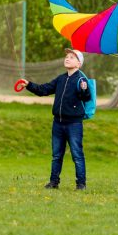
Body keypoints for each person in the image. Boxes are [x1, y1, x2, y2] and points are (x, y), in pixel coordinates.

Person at [20, 48, 92, 190]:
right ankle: (54, 182)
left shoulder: (81, 80)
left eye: (72, 57)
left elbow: (86, 97)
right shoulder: (61, 79)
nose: (67, 58)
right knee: (56, 155)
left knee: (77, 155)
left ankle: (81, 184)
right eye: (67, 56)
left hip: (74, 124)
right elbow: (43, 90)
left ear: (78, 64)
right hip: (58, 124)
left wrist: (84, 89)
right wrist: (28, 85)